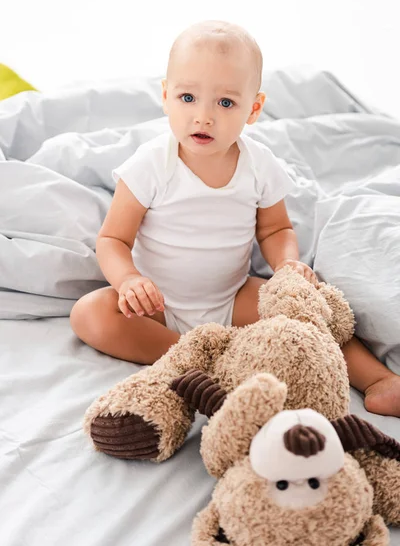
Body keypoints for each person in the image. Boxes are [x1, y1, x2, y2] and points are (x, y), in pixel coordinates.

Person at [70, 20, 400, 418]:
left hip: (231, 297)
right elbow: (112, 241)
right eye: (188, 97)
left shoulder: (259, 164)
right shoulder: (151, 165)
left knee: (309, 313)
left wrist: (285, 266)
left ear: (253, 109)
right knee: (89, 313)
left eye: (225, 103)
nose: (203, 116)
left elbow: (276, 229)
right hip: (159, 307)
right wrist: (128, 280)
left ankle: (379, 379)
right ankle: (192, 358)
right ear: (165, 96)